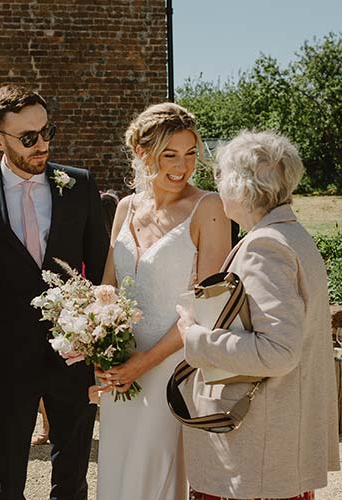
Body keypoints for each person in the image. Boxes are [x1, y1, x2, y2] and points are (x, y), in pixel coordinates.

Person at [0, 84, 109, 500]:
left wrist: (98, 342)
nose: (42, 144)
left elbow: (98, 270)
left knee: (73, 476)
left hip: (74, 352)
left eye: (46, 131)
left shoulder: (78, 185)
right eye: (28, 137)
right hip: (9, 356)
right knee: (6, 479)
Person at [176, 130, 340, 500]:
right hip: (273, 446)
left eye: (219, 175)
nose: (216, 185)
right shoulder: (290, 235)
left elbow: (278, 351)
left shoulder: (265, 246)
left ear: (239, 185)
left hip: (255, 454)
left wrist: (195, 337)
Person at [94, 102, 231, 500]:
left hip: (173, 369)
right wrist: (101, 357)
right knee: (119, 470)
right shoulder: (125, 207)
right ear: (142, 153)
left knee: (154, 473)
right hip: (120, 370)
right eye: (169, 154)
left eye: (190, 154)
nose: (182, 166)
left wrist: (142, 363)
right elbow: (108, 288)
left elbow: (205, 306)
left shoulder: (209, 209)